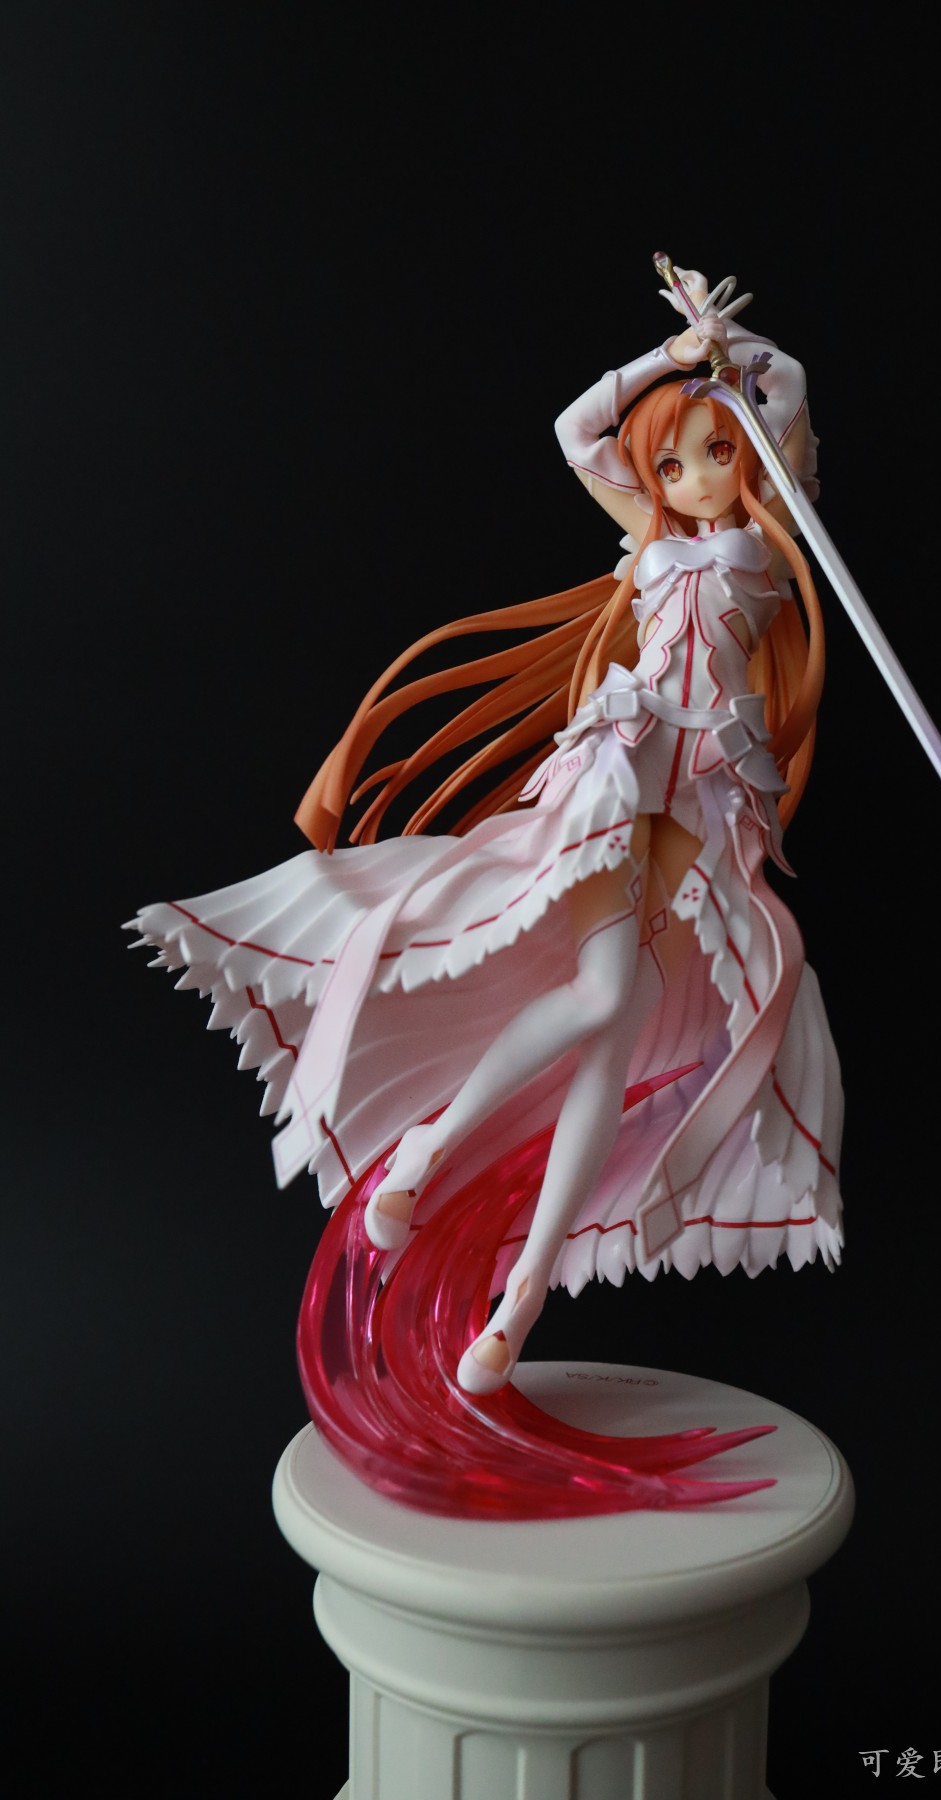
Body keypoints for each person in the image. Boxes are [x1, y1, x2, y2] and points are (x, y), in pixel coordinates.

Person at [131, 266, 844, 1416]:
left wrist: (743, 360)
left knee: (610, 1039)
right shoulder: (650, 535)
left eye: (716, 452)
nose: (694, 477)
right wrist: (671, 361)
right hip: (622, 771)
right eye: (673, 463)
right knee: (602, 1000)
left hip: (707, 800)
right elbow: (576, 432)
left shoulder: (764, 541)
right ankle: (430, 1157)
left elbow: (791, 394)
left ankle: (516, 1302)